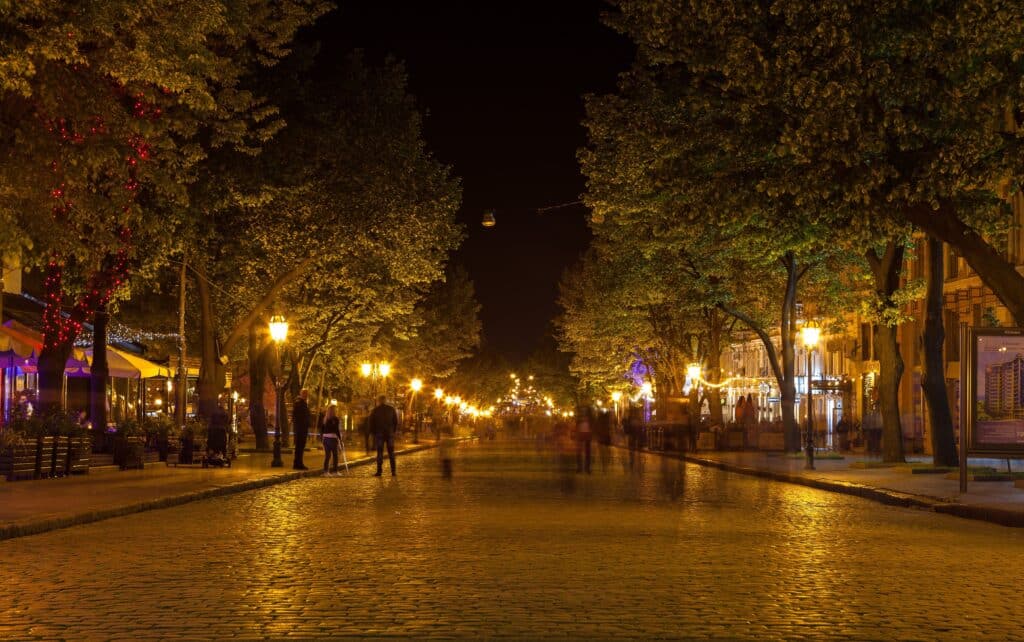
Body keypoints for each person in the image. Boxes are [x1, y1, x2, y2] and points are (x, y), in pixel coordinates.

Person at [369, 395, 398, 476]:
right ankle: (393, 471)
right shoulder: (391, 409)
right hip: (389, 434)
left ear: (379, 401)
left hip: (379, 433)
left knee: (380, 453)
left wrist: (373, 433)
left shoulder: (375, 410)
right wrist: (393, 431)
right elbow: (395, 422)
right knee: (391, 453)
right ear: (386, 400)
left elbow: (371, 422)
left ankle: (379, 471)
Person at [292, 389, 311, 470]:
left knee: (300, 447)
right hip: (300, 429)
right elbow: (296, 416)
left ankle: (298, 463)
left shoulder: (303, 403)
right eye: (305, 394)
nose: (306, 396)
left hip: (302, 428)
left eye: (307, 394)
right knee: (299, 446)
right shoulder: (299, 403)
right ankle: (298, 463)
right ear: (302, 394)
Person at [321, 405, 341, 476]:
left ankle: (326, 471)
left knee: (327, 456)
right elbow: (336, 430)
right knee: (335, 455)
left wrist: (322, 438)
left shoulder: (325, 419)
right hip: (332, 438)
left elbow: (322, 430)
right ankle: (335, 471)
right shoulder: (335, 419)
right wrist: (340, 439)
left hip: (325, 438)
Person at [574, 404, 593, 474]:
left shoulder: (590, 417)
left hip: (587, 434)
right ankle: (579, 467)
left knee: (587, 453)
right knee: (579, 452)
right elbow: (576, 424)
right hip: (580, 434)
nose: (583, 412)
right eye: (582, 411)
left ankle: (587, 468)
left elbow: (592, 425)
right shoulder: (578, 417)